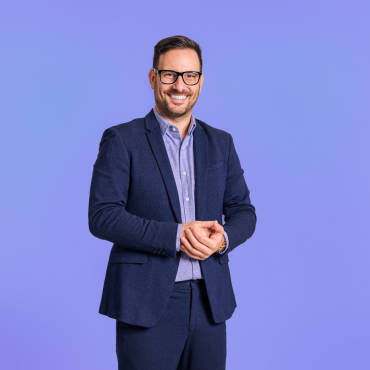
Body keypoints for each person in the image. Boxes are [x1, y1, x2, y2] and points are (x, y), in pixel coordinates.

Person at [88, 35, 256, 370]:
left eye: (189, 76)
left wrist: (221, 239)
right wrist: (176, 235)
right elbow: (103, 216)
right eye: (170, 75)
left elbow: (244, 213)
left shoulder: (220, 143)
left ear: (201, 81)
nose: (180, 85)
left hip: (210, 302)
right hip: (146, 302)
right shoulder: (122, 139)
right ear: (153, 78)